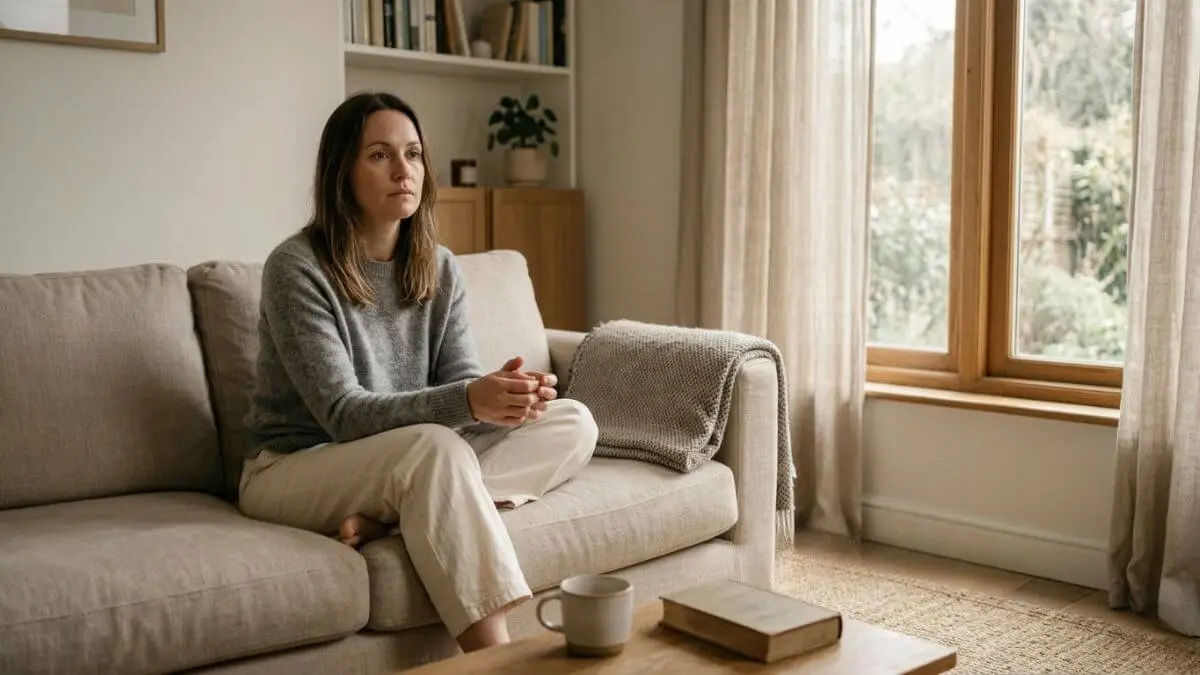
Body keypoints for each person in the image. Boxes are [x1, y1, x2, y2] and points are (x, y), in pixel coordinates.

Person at [237, 91, 598, 652]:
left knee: (573, 421)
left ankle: (393, 524)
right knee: (434, 450)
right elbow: (343, 415)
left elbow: (460, 398)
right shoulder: (297, 268)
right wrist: (468, 401)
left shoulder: (440, 267)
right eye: (380, 155)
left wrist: (508, 404)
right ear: (342, 172)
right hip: (294, 465)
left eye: (413, 154)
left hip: (412, 458)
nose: (403, 170)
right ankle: (495, 658)